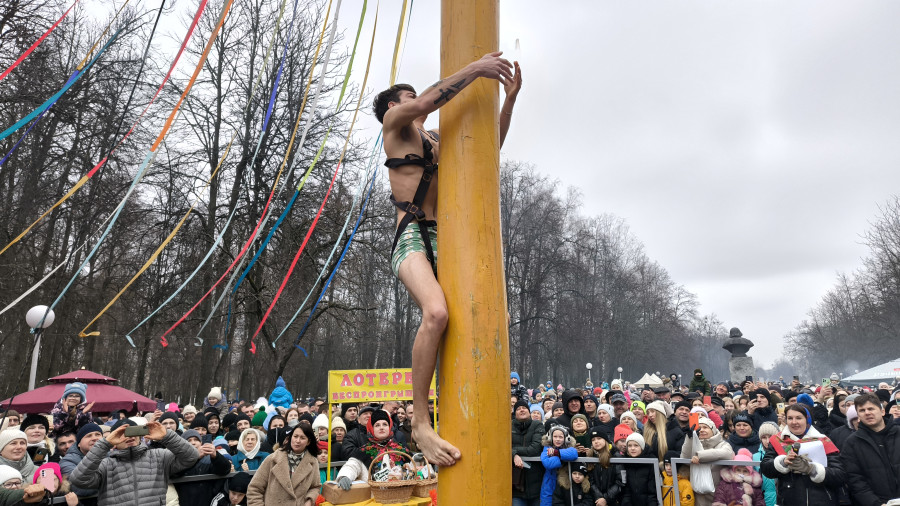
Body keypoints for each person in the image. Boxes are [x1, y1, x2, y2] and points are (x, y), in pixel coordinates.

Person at [373, 50, 521, 467]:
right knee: (436, 313)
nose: (418, 100)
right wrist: (475, 68)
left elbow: (489, 148)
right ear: (393, 106)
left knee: (489, 317)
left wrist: (508, 98)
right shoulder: (394, 126)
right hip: (411, 236)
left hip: (449, 238)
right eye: (409, 97)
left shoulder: (436, 139)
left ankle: (482, 404)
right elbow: (423, 103)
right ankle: (420, 421)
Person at [69, 420, 199, 505]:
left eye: (133, 431)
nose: (130, 436)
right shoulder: (105, 464)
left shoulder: (159, 456)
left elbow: (191, 456)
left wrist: (167, 436)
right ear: (114, 438)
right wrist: (104, 444)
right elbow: (78, 479)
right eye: (123, 434)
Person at [760, 404, 844, 506]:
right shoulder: (777, 440)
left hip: (821, 500)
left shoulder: (823, 441)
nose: (794, 422)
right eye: (790, 418)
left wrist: (812, 469)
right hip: (789, 500)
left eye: (799, 418)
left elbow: (839, 475)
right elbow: (766, 468)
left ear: (807, 419)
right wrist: (783, 462)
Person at [840, 392, 900, 506]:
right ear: (858, 416)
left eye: (871, 408)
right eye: (862, 411)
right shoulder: (852, 443)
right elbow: (855, 480)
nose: (867, 413)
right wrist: (875, 503)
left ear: (882, 411)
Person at [246, 425, 320, 506]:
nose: (297, 440)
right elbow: (254, 488)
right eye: (295, 436)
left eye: (302, 438)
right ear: (290, 438)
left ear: (308, 442)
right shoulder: (272, 459)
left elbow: (315, 487)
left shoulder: (313, 462)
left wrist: (309, 501)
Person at [335, 410, 408, 488]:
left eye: (385, 424)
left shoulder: (400, 450)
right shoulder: (365, 451)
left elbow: (411, 468)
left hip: (399, 495)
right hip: (373, 496)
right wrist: (345, 476)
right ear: (372, 429)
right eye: (377, 425)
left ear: (389, 427)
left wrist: (418, 460)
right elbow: (352, 465)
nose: (381, 428)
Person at [680, 417, 734, 506]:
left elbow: (727, 454)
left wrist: (700, 456)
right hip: (698, 494)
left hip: (718, 495)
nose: (701, 430)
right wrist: (689, 437)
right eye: (699, 428)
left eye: (705, 427)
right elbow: (684, 458)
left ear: (713, 430)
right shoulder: (693, 443)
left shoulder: (722, 444)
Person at [174, 429, 231, 505]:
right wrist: (195, 457)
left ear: (201, 443)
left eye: (196, 440)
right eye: (189, 440)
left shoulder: (210, 458)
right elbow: (174, 473)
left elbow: (225, 470)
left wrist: (216, 456)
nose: (193, 442)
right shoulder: (177, 460)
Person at [512, 399, 545, 506]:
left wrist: (514, 450)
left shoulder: (537, 425)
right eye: (518, 409)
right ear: (514, 413)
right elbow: (502, 447)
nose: (521, 410)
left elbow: (535, 449)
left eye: (524, 408)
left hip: (536, 483)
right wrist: (513, 455)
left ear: (529, 411)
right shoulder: (508, 426)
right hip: (516, 485)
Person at [59, 423, 102, 504]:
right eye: (88, 436)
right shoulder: (67, 461)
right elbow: (79, 488)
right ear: (78, 444)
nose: (94, 438)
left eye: (98, 434)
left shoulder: (111, 456)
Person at [539, 425, 578, 506]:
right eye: (555, 436)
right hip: (549, 483)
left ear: (566, 438)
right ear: (550, 438)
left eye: (560, 437)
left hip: (566, 482)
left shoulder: (569, 447)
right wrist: (563, 457)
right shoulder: (547, 448)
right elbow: (547, 463)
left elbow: (574, 454)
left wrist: (557, 453)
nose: (557, 439)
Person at [585, 425, 622, 506]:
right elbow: (590, 480)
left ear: (605, 440)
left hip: (614, 500)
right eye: (593, 439)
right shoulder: (590, 456)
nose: (596, 441)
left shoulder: (615, 455)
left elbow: (620, 481)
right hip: (596, 501)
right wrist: (599, 497)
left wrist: (605, 498)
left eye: (599, 438)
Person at [620, 433, 658, 506]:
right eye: (630, 446)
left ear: (642, 447)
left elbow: (652, 492)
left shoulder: (651, 462)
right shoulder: (625, 462)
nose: (632, 448)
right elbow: (626, 491)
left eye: (636, 445)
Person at [752, 422, 778, 506]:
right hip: (762, 500)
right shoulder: (755, 457)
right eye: (764, 437)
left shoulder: (784, 454)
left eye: (771, 437)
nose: (767, 441)